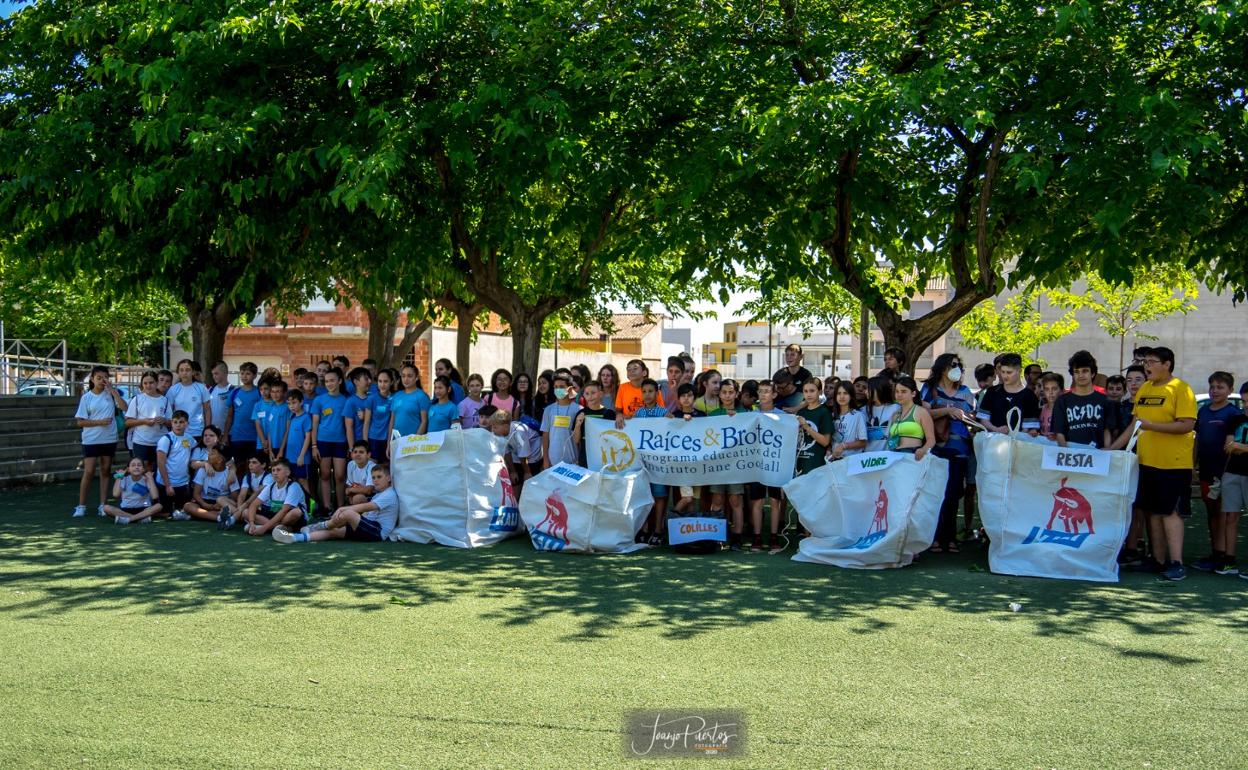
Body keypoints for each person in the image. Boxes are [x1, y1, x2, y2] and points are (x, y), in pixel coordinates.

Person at [1133, 347, 1197, 581]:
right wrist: (1112, 449)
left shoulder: (1181, 388)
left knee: (1171, 512)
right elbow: (1136, 423)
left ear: (1167, 364)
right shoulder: (1145, 388)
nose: (1147, 365)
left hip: (1174, 464)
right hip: (1147, 462)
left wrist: (1152, 427)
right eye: (1145, 361)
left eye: (1152, 361)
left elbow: (1187, 425)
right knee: (1152, 513)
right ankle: (1158, 561)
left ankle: (1177, 563)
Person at [923, 353, 977, 553]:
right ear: (942, 367)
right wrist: (947, 411)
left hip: (960, 449)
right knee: (936, 493)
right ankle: (935, 537)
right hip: (937, 448)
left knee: (954, 494)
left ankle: (950, 537)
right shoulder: (930, 389)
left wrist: (965, 416)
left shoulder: (965, 392)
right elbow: (923, 413)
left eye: (959, 365)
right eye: (952, 364)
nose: (956, 368)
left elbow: (973, 417)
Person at [1192, 372, 1241, 573]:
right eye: (1212, 386)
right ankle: (1216, 552)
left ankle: (1223, 554)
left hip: (1225, 472)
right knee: (1211, 511)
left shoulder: (1233, 414)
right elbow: (1196, 440)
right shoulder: (1202, 412)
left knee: (1223, 512)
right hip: (1206, 470)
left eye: (1220, 387)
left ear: (1230, 390)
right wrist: (1192, 465)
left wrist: (1225, 472)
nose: (1214, 391)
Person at [277, 463, 398, 544]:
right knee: (335, 531)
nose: (375, 480)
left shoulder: (389, 494)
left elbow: (367, 506)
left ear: (388, 478)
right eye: (373, 477)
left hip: (378, 532)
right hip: (370, 527)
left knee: (349, 514)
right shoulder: (379, 493)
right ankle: (296, 538)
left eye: (379, 477)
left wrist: (343, 509)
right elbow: (368, 512)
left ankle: (318, 526)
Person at [73, 365, 127, 518]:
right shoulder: (86, 397)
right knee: (89, 471)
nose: (102, 380)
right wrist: (99, 422)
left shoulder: (111, 394)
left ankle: (103, 505)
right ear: (92, 379)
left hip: (109, 439)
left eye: (105, 377)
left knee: (105, 470)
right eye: (99, 378)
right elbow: (80, 422)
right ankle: (81, 505)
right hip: (90, 440)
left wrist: (113, 392)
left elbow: (124, 407)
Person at [706, 378, 749, 550]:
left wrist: (737, 419)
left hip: (736, 464)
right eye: (724, 392)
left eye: (731, 392)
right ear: (720, 394)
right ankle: (717, 535)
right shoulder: (713, 414)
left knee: (735, 499)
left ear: (736, 393)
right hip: (718, 465)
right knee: (717, 499)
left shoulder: (745, 414)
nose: (727, 395)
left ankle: (737, 537)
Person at [628, 379, 670, 546]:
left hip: (659, 463)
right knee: (644, 495)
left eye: (650, 391)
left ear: (657, 393)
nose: (647, 394)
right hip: (642, 462)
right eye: (644, 391)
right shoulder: (638, 414)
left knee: (659, 496)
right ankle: (644, 529)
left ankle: (658, 530)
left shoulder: (664, 413)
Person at [749, 380, 786, 552]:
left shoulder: (781, 416)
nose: (763, 394)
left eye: (767, 391)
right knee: (757, 501)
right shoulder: (750, 415)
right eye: (760, 391)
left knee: (774, 501)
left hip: (775, 463)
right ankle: (757, 537)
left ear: (774, 395)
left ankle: (774, 536)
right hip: (756, 464)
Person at [1052, 351, 1112, 449]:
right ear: (1072, 374)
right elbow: (1059, 433)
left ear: (1092, 373)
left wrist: (1107, 450)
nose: (1080, 375)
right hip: (1071, 455)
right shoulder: (1062, 401)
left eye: (1085, 371)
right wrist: (1065, 453)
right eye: (1076, 371)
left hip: (1097, 455)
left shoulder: (1104, 400)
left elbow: (1107, 430)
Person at [311, 367, 351, 511]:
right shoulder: (319, 400)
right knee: (325, 475)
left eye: (332, 380)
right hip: (323, 441)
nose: (329, 383)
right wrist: (314, 445)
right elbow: (314, 424)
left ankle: (341, 508)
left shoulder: (346, 400)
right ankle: (327, 507)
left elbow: (348, 425)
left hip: (340, 442)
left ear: (340, 381)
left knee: (340, 476)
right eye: (327, 381)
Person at [241, 458, 308, 537]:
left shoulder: (294, 487)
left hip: (289, 518)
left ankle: (267, 527)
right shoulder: (270, 487)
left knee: (296, 512)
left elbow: (284, 510)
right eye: (273, 470)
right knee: (245, 512)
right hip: (275, 515)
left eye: (278, 470)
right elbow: (254, 505)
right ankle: (280, 528)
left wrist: (264, 528)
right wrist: (252, 523)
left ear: (288, 472)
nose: (275, 473)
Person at [976, 354, 1041, 435]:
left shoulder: (1029, 396)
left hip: (1019, 444)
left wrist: (1015, 437)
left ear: (1019, 371)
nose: (1005, 376)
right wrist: (996, 429)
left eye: (1009, 372)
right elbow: (983, 419)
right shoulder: (992, 392)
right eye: (1003, 372)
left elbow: (1029, 428)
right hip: (993, 442)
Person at [1219, 407, 1248, 577]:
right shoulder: (1236, 419)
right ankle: (1229, 561)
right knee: (1230, 516)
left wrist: (1239, 446)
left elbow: (1234, 445)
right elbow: (1228, 446)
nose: (1246, 405)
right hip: (1232, 471)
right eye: (1244, 401)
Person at [124, 370, 171, 474]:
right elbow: (127, 422)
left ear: (156, 383)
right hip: (140, 442)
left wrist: (164, 421)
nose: (148, 386)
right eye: (145, 383)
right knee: (140, 471)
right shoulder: (137, 399)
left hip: (160, 442)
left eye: (151, 383)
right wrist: (143, 421)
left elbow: (171, 422)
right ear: (142, 384)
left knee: (157, 470)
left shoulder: (165, 400)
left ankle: (155, 490)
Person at [156, 411, 196, 520]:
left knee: (186, 509)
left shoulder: (189, 438)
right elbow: (160, 463)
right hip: (166, 484)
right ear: (171, 423)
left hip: (183, 483)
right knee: (162, 510)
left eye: (181, 422)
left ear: (187, 423)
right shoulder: (165, 439)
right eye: (175, 422)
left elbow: (196, 452)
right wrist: (168, 485)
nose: (178, 425)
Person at [183, 447, 240, 522]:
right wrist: (204, 504)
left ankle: (205, 515)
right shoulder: (203, 469)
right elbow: (196, 494)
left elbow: (234, 498)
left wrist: (220, 504)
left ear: (220, 460)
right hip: (204, 501)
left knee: (226, 508)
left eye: (212, 453)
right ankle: (218, 518)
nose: (209, 454)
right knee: (187, 506)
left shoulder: (230, 473)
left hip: (221, 503)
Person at [223, 362, 261, 469]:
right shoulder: (235, 393)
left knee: (253, 467)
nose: (244, 376)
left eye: (248, 373)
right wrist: (225, 435)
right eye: (242, 373)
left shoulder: (259, 393)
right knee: (237, 466)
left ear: (254, 375)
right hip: (237, 436)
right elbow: (230, 416)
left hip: (254, 437)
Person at [102, 457, 162, 524]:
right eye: (133, 465)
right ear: (128, 469)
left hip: (144, 509)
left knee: (158, 506)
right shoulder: (124, 479)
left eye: (139, 465)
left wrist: (151, 479)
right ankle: (140, 519)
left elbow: (155, 496)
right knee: (106, 508)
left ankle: (128, 519)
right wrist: (119, 478)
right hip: (126, 509)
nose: (136, 467)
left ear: (143, 469)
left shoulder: (146, 479)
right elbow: (116, 494)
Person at [887, 376, 935, 460]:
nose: (899, 395)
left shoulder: (921, 412)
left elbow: (931, 440)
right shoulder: (895, 415)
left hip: (913, 455)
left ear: (913, 393)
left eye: (904, 391)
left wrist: (923, 450)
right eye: (897, 391)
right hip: (894, 457)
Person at [795, 378, 833, 479]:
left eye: (812, 391)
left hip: (816, 464)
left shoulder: (824, 412)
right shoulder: (800, 413)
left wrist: (806, 427)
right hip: (799, 463)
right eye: (805, 391)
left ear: (820, 392)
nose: (808, 394)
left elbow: (825, 441)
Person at [542, 372, 581, 468]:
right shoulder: (548, 410)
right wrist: (546, 460)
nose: (558, 389)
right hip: (552, 462)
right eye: (556, 387)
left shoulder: (578, 410)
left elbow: (580, 439)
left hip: (573, 461)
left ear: (570, 388)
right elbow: (545, 435)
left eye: (562, 386)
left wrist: (580, 460)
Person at [572, 380, 615, 466]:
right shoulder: (581, 413)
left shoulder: (609, 414)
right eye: (587, 393)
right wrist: (577, 425)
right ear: (583, 395)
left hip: (605, 460)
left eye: (593, 393)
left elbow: (614, 439)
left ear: (601, 394)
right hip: (585, 460)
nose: (590, 396)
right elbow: (576, 440)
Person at [167, 359, 212, 439]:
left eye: (187, 370)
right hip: (179, 432)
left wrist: (207, 429)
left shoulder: (202, 388)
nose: (184, 373)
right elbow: (169, 411)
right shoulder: (173, 389)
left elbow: (207, 410)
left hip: (197, 432)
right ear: (178, 372)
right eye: (181, 370)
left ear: (193, 372)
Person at [281, 389, 314, 495]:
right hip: (290, 457)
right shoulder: (292, 417)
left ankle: (309, 507)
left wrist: (302, 456)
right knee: (293, 482)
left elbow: (308, 438)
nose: (291, 406)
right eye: (289, 403)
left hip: (301, 458)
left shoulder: (306, 418)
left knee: (303, 481)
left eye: (294, 402)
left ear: (301, 402)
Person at [828, 381, 868, 460]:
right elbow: (830, 440)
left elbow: (863, 442)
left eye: (845, 393)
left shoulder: (858, 415)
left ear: (851, 396)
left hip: (852, 462)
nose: (842, 396)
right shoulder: (832, 416)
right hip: (834, 461)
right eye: (839, 393)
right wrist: (828, 450)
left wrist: (844, 446)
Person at [388, 364, 430, 438]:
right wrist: (389, 443)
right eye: (403, 376)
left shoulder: (422, 396)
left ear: (416, 377)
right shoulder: (397, 395)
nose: (406, 379)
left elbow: (424, 421)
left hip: (412, 443)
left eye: (409, 376)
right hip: (396, 441)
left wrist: (415, 440)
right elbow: (392, 420)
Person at [863, 377, 900, 453]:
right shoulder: (863, 410)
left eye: (868, 388)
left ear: (878, 389)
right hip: (866, 457)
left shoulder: (896, 408)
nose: (865, 391)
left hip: (887, 457)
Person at [367, 368, 396, 460]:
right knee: (373, 468)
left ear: (391, 382)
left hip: (388, 439)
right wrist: (365, 442)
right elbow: (366, 422)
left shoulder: (395, 399)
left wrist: (389, 442)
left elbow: (392, 422)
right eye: (380, 381)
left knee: (386, 469)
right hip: (373, 438)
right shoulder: (371, 398)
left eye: (385, 381)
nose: (382, 385)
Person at [233, 455, 272, 521]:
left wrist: (242, 508)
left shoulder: (269, 477)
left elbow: (257, 494)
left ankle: (235, 517)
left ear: (263, 465)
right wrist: (239, 509)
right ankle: (239, 516)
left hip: (265, 506)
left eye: (254, 462)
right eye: (249, 462)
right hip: (252, 505)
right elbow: (242, 495)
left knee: (245, 512)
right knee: (221, 499)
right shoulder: (248, 476)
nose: (250, 465)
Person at [343, 367, 374, 446]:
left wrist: (366, 416)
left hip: (375, 441)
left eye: (370, 378)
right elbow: (349, 427)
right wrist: (351, 448)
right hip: (359, 444)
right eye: (366, 379)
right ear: (356, 382)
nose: (370, 381)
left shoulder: (374, 398)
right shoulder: (350, 402)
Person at [263, 379, 291, 464]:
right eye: (273, 391)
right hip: (273, 447)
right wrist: (270, 450)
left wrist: (282, 450)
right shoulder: (271, 407)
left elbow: (287, 430)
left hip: (284, 446)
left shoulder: (288, 407)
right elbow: (269, 430)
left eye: (278, 391)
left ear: (284, 392)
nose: (275, 394)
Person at [1038, 373, 1065, 440]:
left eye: (1054, 389)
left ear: (1062, 390)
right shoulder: (1041, 409)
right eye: (1047, 389)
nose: (1050, 392)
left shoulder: (1066, 410)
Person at [208, 361, 233, 433]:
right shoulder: (210, 390)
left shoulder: (233, 391)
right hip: (212, 433)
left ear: (225, 373)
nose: (214, 376)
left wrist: (226, 435)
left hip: (228, 434)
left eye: (216, 373)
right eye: (212, 374)